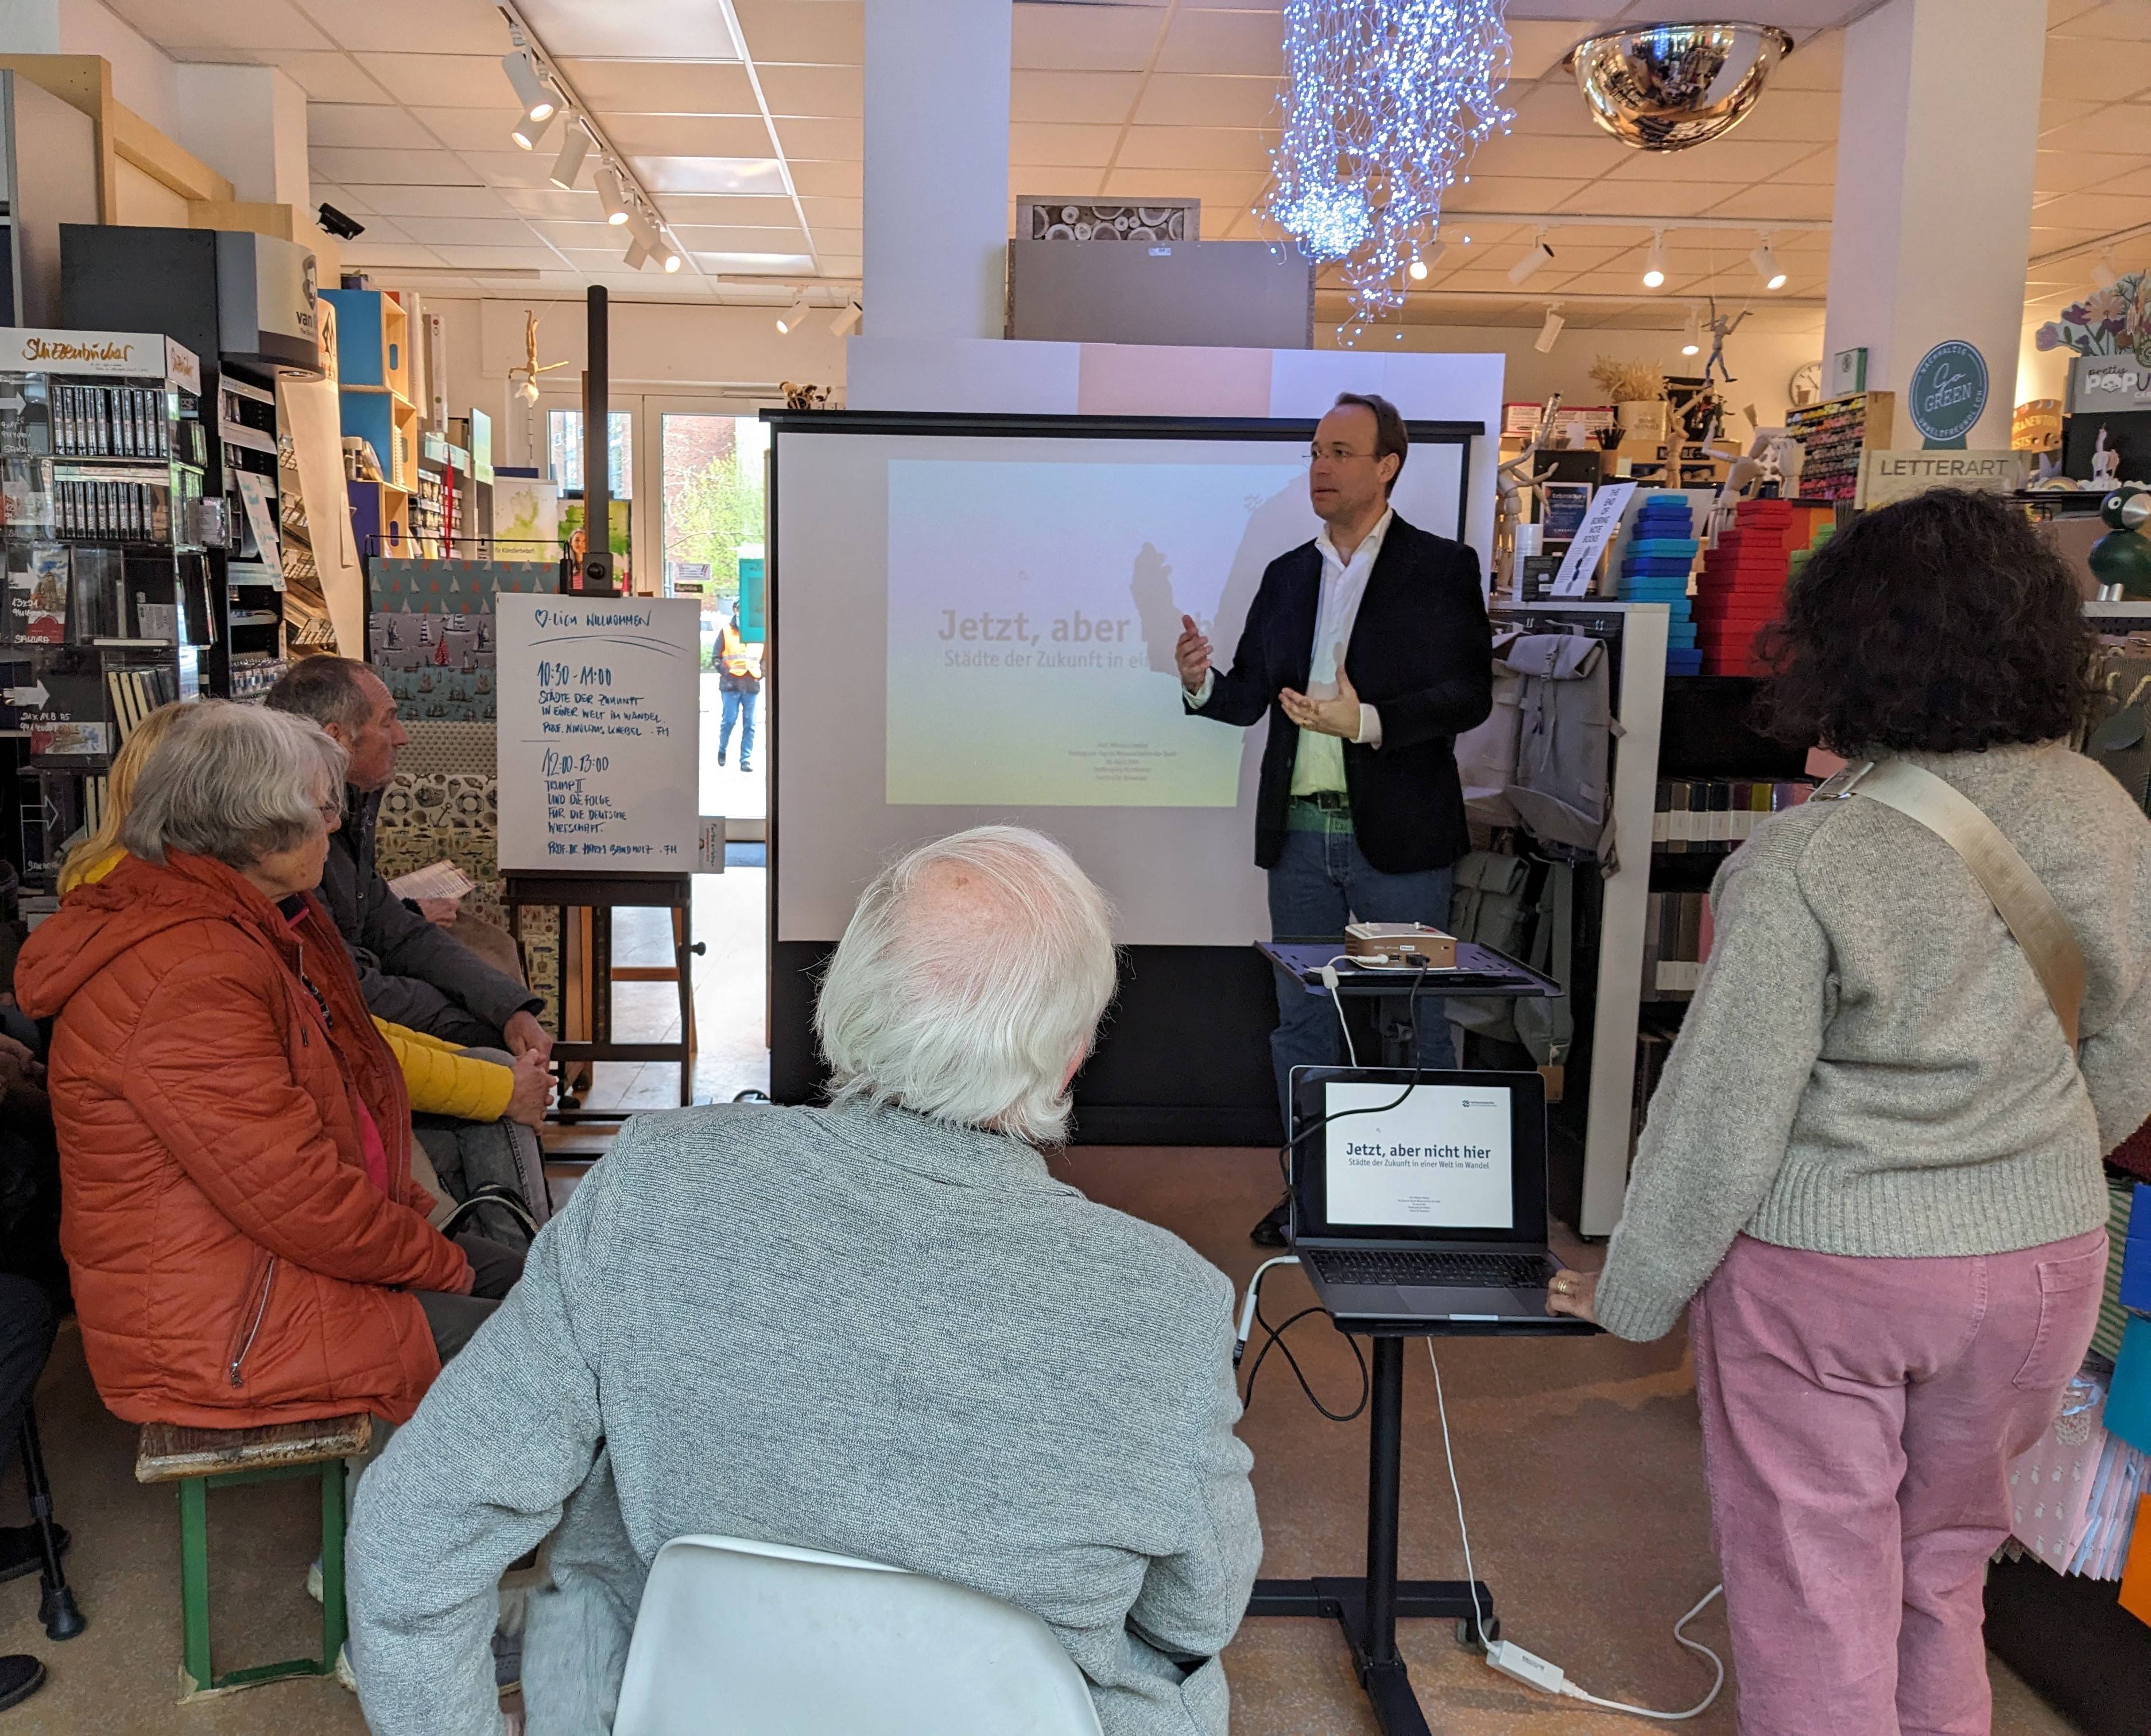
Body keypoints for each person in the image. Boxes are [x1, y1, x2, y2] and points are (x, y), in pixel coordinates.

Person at [347, 827, 1261, 1736]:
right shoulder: (1164, 1304)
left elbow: (411, 1534)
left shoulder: (651, 1190)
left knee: (580, 1603)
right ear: (1071, 1051)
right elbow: (1196, 1614)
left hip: (673, 1705)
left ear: (845, 996)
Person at [1547, 489, 2151, 1735]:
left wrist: (1633, 1290)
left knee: (1813, 1588)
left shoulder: (1810, 857)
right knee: (1943, 1567)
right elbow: (2134, 1037)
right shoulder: (2104, 813)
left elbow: (1720, 1115)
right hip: (2045, 1265)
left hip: (1834, 1270)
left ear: (1843, 645)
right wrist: (2028, 1162)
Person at [15, 703, 507, 1429]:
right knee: (546, 1348)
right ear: (251, 829)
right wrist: (441, 1264)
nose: (333, 824)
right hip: (227, 1328)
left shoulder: (234, 924)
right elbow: (301, 1201)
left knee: (548, 1289)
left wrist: (419, 1235)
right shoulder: (191, 971)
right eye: (318, 807)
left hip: (252, 1272)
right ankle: (414, 1536)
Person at [1177, 392, 1493, 1242]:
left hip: (1399, 840)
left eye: (1341, 453)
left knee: (1416, 1018)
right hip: (1301, 837)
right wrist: (1200, 682)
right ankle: (1313, 1195)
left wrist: (1366, 722)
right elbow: (1250, 696)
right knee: (1304, 1025)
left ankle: (1425, 1205)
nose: (1320, 467)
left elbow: (1469, 695)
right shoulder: (1287, 574)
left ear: (1386, 466)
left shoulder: (1439, 567)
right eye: (1316, 451)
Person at [57, 700, 552, 1144]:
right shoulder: (196, 952)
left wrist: (505, 1012)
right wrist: (495, 1083)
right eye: (315, 805)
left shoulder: (229, 907)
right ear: (232, 815)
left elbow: (341, 1015)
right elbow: (295, 1170)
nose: (401, 736)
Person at [264, 657, 552, 1059]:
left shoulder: (347, 812)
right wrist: (475, 1025)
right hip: (338, 1039)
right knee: (498, 1058)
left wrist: (509, 1008)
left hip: (360, 1019)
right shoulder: (288, 842)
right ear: (337, 739)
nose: (401, 738)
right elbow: (341, 984)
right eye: (388, 721)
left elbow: (399, 932)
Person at [715, 599, 761, 772]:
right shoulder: (726, 631)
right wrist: (726, 673)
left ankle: (745, 759)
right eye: (742, 609)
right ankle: (722, 749)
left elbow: (766, 658)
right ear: (736, 610)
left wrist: (761, 673)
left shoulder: (759, 632)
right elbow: (716, 656)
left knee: (750, 724)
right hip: (731, 684)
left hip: (751, 683)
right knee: (729, 720)